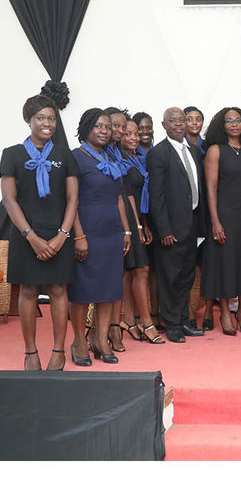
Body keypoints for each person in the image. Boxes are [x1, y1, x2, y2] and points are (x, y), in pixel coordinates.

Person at [0, 95, 79, 371]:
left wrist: (62, 236)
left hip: (59, 233)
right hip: (25, 235)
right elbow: (9, 200)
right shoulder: (11, 154)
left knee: (59, 290)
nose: (48, 123)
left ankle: (59, 351)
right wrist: (31, 236)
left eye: (52, 118)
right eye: (41, 118)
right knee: (29, 291)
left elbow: (73, 200)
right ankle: (30, 352)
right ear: (28, 120)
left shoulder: (63, 154)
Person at [68, 108, 131, 365]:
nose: (104, 131)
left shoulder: (112, 158)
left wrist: (125, 231)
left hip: (111, 233)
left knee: (108, 291)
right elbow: (70, 201)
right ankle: (79, 341)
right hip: (88, 232)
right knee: (83, 291)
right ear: (86, 128)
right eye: (98, 126)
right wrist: (78, 236)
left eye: (107, 127)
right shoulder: (76, 157)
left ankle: (101, 339)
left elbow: (118, 197)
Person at [200, 106, 241, 335]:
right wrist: (215, 221)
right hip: (224, 214)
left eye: (238, 120)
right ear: (222, 125)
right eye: (229, 121)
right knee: (224, 264)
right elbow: (211, 188)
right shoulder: (216, 150)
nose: (234, 124)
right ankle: (225, 312)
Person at [147, 107, 206, 343]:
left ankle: (184, 320)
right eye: (173, 121)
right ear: (164, 125)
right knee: (169, 278)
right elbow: (156, 196)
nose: (179, 124)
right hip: (171, 229)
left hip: (191, 226)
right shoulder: (158, 153)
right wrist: (164, 230)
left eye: (182, 119)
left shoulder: (192, 149)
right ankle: (171, 324)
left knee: (185, 277)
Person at [120, 119, 163, 344]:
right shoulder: (119, 161)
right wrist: (136, 225)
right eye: (128, 134)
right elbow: (126, 195)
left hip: (137, 217)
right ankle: (146, 323)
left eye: (136, 134)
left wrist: (144, 224)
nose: (134, 138)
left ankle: (128, 320)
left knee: (133, 271)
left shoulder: (136, 159)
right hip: (126, 218)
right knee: (140, 270)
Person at [103, 107, 131, 352]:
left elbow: (120, 194)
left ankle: (114, 326)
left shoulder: (117, 153)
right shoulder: (95, 153)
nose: (119, 130)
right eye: (115, 126)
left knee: (116, 280)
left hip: (118, 219)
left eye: (123, 126)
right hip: (96, 222)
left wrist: (127, 229)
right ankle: (97, 332)